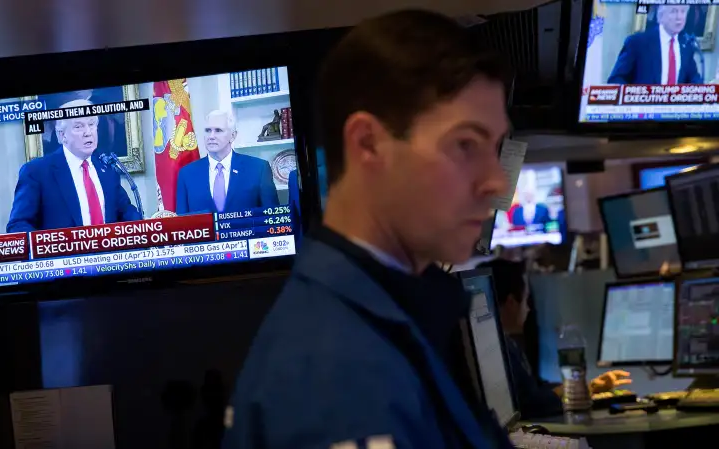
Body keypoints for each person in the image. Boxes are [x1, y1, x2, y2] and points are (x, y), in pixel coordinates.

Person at [224, 10, 515, 449]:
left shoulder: (387, 314)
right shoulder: (336, 370)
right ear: (368, 144)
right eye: (466, 145)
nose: (496, 182)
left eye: (495, 149)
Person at [476, 259, 632, 419]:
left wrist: (587, 387)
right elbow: (530, 404)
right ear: (511, 303)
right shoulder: (497, 351)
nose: (528, 308)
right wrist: (580, 390)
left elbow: (534, 389)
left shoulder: (504, 344)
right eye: (526, 300)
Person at [6, 99, 141, 232]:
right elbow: (18, 226)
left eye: (92, 124)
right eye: (78, 126)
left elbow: (127, 214)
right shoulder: (37, 172)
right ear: (62, 135)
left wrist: (150, 227)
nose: (88, 132)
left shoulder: (107, 170)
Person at [175, 110, 279, 214]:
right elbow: (182, 223)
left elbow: (272, 218)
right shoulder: (187, 174)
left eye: (218, 130)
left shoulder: (258, 169)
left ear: (233, 136)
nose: (211, 136)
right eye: (207, 130)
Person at [608, 5, 702, 85]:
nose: (679, 17)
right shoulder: (637, 42)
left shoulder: (687, 45)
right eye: (673, 11)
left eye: (683, 11)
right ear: (661, 15)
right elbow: (616, 80)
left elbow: (693, 79)